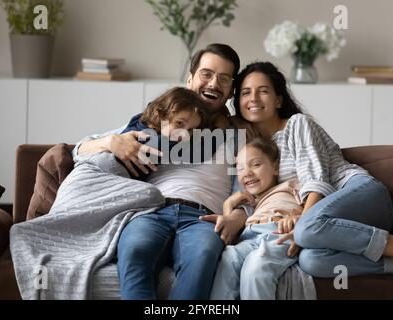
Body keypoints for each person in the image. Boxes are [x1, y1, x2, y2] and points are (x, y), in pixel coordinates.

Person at [211, 61, 393, 280]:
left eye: (263, 91)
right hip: (330, 227)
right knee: (312, 261)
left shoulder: (297, 124)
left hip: (362, 195)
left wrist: (302, 219)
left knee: (306, 230)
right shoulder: (253, 149)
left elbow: (316, 181)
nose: (253, 98)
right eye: (245, 93)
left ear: (279, 99)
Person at [73, 43, 247, 299]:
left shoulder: (235, 134)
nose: (213, 84)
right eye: (206, 74)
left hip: (202, 218)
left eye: (223, 78)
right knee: (134, 251)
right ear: (190, 78)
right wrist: (110, 142)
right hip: (151, 210)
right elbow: (78, 150)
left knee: (204, 255)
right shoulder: (155, 119)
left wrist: (239, 216)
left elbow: (246, 186)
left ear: (231, 90)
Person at [211, 137, 304, 300]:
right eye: (240, 169)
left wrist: (298, 217)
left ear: (275, 167)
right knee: (228, 257)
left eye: (256, 165)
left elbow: (318, 204)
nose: (247, 173)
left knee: (256, 266)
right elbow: (230, 232)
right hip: (250, 237)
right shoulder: (250, 203)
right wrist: (228, 204)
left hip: (279, 234)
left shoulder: (290, 185)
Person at [118, 86, 209, 179]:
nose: (184, 134)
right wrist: (221, 127)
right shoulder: (161, 144)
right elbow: (200, 152)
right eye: (179, 123)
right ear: (161, 115)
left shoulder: (138, 121)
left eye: (190, 130)